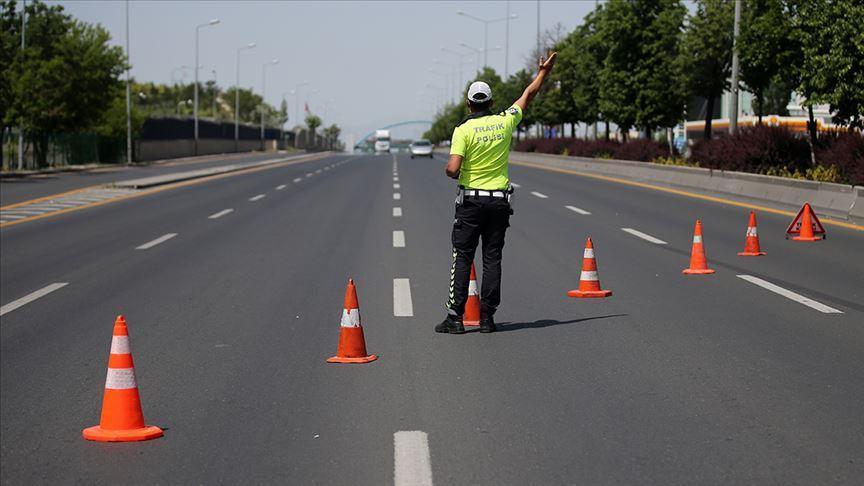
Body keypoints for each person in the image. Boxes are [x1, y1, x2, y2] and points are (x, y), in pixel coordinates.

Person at [436, 51, 558, 335]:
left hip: (471, 202)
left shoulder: (463, 130)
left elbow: (453, 169)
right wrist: (544, 72)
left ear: (468, 104)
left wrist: (452, 168)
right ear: (490, 102)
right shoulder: (504, 121)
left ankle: (455, 317)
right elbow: (528, 95)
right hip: (499, 203)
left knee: (463, 256)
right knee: (492, 258)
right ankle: (488, 318)